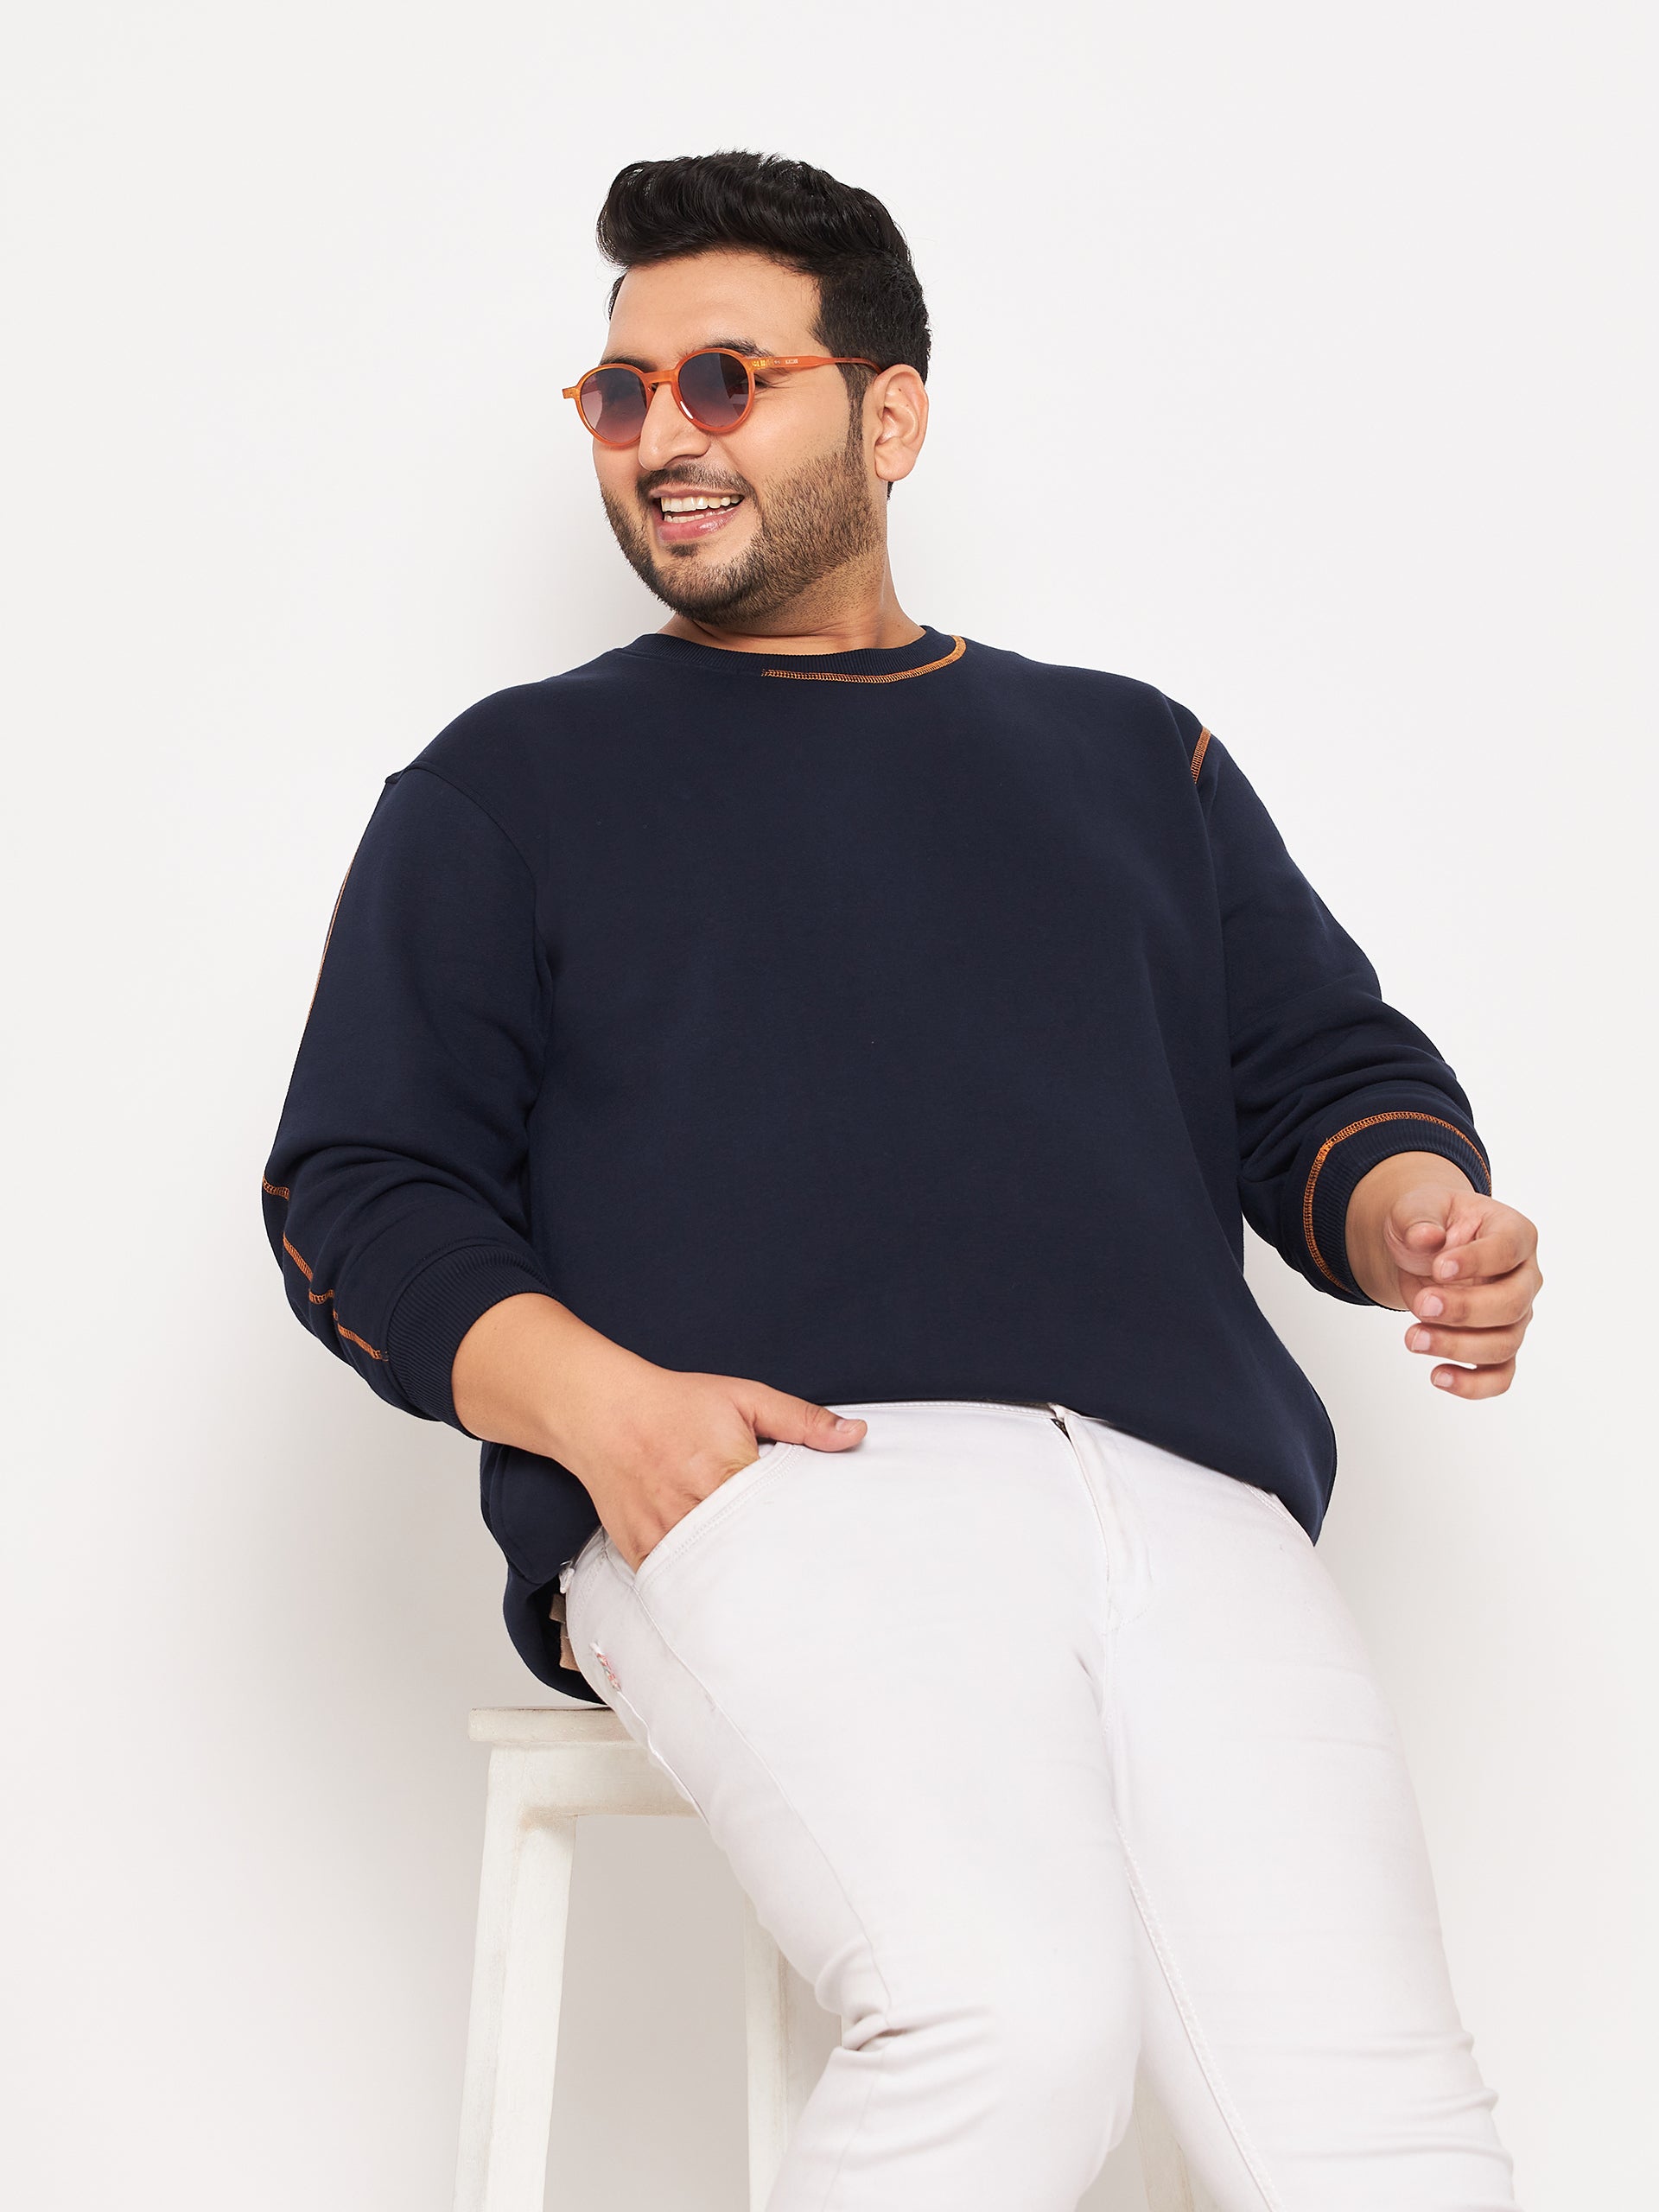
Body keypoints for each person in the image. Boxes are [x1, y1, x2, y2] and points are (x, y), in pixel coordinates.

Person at [262, 149, 1540, 2210]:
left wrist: (1413, 1212)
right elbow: (361, 1177)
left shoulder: (1131, 757)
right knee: (1006, 2020)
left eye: (724, 379)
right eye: (619, 393)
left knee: (1388, 2137)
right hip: (782, 1479)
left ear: (891, 415)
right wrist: (610, 1415)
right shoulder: (511, 781)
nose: (662, 434)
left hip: (1188, 1494)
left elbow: (1320, 1073)